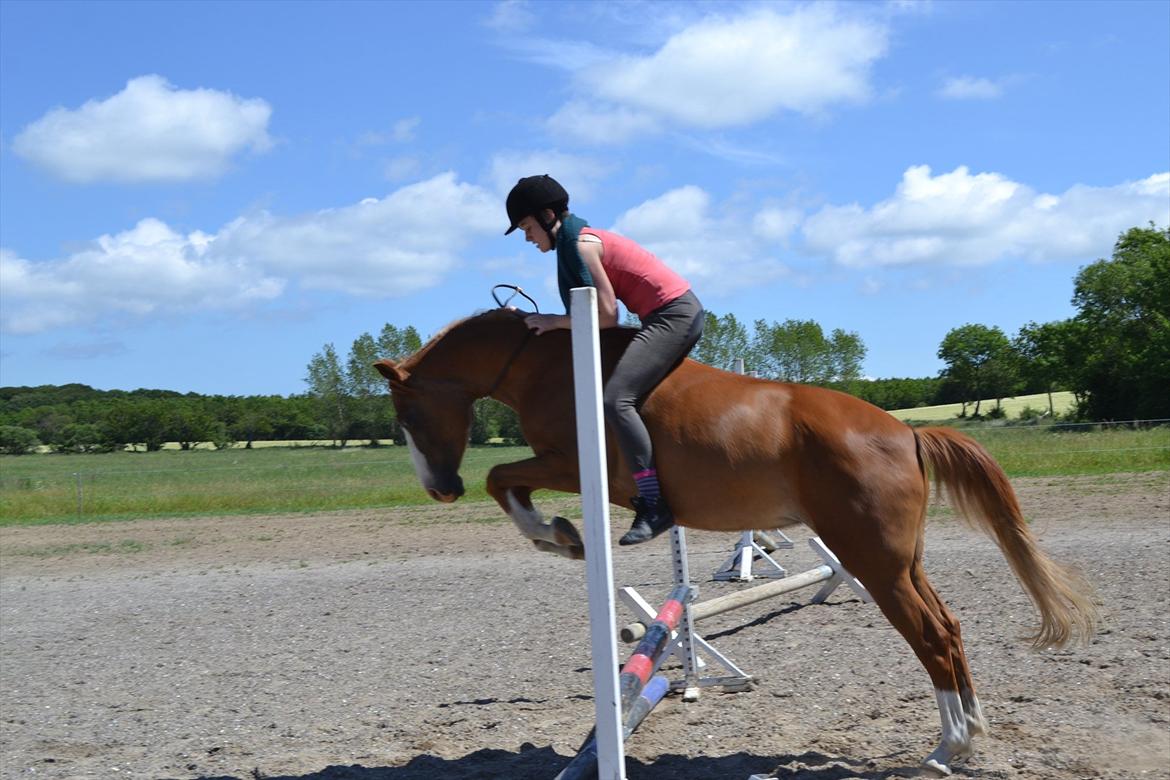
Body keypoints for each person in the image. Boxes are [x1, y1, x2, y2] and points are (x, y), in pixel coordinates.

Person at [504, 174, 704, 545]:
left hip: (674, 316)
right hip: (666, 315)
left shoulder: (580, 246)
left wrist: (552, 321)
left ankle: (654, 503)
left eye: (528, 227)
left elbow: (607, 316)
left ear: (548, 216)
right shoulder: (574, 240)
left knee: (616, 399)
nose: (528, 238)